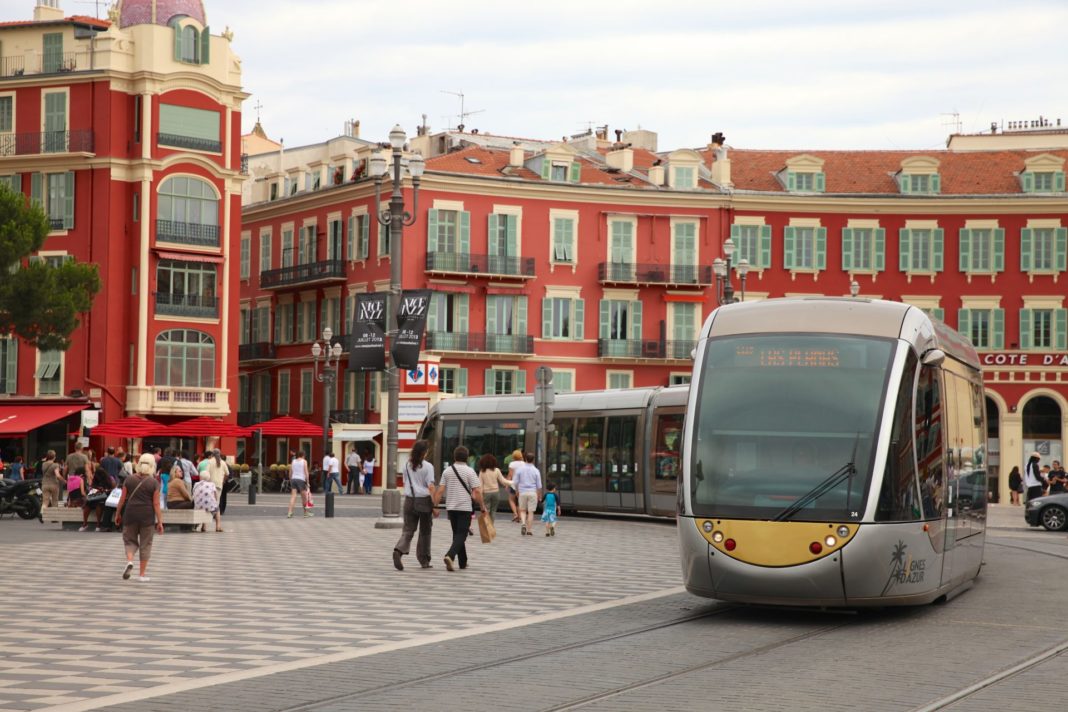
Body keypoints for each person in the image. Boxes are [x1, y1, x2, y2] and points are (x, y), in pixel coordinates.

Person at [434, 445, 483, 571]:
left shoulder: (447, 471)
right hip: (464, 508)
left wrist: (435, 506)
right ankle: (450, 556)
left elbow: (440, 491)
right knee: (462, 534)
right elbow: (477, 491)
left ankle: (463, 562)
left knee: (457, 535)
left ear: (454, 457)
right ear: (467, 457)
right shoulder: (470, 471)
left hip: (451, 508)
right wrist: (482, 506)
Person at [115, 453, 163, 582]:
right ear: (152, 465)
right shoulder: (154, 482)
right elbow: (156, 504)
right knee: (145, 544)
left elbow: (122, 499)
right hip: (147, 516)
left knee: (129, 540)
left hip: (130, 514)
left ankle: (130, 561)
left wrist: (118, 514)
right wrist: (160, 521)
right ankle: (141, 575)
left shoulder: (129, 479)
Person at [393, 439, 437, 570]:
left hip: (409, 500)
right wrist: (435, 505)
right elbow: (431, 487)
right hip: (424, 501)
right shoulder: (428, 466)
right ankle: (424, 560)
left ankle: (398, 550)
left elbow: (405, 482)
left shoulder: (407, 465)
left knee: (408, 530)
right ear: (424, 452)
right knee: (425, 531)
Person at [513, 451, 543, 536]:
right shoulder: (536, 470)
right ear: (533, 460)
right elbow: (539, 485)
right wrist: (539, 495)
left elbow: (515, 482)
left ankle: (523, 523)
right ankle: (529, 530)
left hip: (522, 492)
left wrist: (517, 491)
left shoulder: (519, 469)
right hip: (533, 492)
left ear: (525, 459)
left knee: (522, 510)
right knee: (531, 512)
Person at [477, 453, 512, 524]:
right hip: (496, 493)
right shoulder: (497, 470)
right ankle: (491, 526)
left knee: (486, 510)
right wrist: (514, 482)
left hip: (486, 493)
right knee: (493, 511)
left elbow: (480, 486)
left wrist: (480, 495)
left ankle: (487, 526)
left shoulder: (482, 472)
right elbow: (503, 482)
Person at [204, 450, 230, 521]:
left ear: (212, 454)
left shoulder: (209, 462)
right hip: (219, 484)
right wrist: (223, 480)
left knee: (210, 499)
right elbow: (227, 473)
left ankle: (210, 514)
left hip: (210, 484)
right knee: (217, 500)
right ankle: (216, 515)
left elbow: (206, 472)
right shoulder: (223, 462)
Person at [287, 450, 313, 518]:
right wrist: (308, 482)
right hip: (301, 480)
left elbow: (290, 472)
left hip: (294, 479)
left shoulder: (293, 461)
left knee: (293, 496)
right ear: (303, 455)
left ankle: (289, 512)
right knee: (304, 498)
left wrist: (290, 479)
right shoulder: (304, 461)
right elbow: (306, 472)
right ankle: (305, 513)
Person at [506, 449, 524, 523]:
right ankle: (519, 517)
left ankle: (515, 514)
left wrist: (507, 484)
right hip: (522, 484)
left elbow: (510, 475)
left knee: (511, 499)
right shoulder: (524, 464)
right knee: (519, 501)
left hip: (514, 484)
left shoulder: (512, 464)